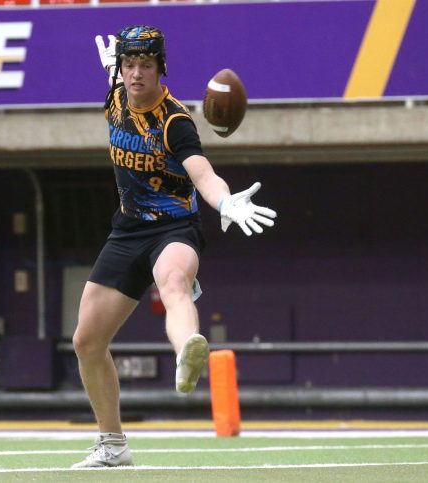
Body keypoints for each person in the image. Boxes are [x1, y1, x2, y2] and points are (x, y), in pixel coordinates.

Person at [72, 25, 277, 468]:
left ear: (161, 69)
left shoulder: (175, 122)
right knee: (86, 341)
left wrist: (224, 201)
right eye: (129, 65)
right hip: (127, 230)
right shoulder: (115, 95)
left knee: (174, 283)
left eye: (146, 65)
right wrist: (115, 64)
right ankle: (112, 445)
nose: (136, 74)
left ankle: (187, 349)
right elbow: (112, 72)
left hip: (175, 228)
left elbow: (202, 174)